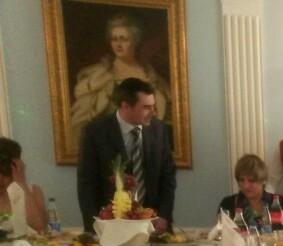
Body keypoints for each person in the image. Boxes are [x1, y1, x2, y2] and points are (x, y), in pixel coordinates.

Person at [77, 78, 176, 232]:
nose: (153, 112)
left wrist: (164, 216)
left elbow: (168, 178)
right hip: (111, 226)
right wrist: (94, 228)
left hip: (154, 225)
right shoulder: (95, 132)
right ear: (125, 106)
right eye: (146, 107)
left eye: (153, 106)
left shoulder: (159, 130)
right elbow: (87, 184)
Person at [70, 14, 171, 144]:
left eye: (124, 39)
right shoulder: (99, 76)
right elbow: (81, 120)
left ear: (135, 41)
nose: (118, 44)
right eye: (114, 39)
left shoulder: (151, 77)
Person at [217, 154, 283, 230]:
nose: (245, 186)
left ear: (263, 181)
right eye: (242, 180)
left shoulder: (277, 201)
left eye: (251, 181)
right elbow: (223, 232)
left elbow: (280, 232)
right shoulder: (227, 203)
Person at [0, 138, 47, 234]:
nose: (1, 179)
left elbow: (39, 226)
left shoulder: (33, 190)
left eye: (5, 173)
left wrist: (21, 182)